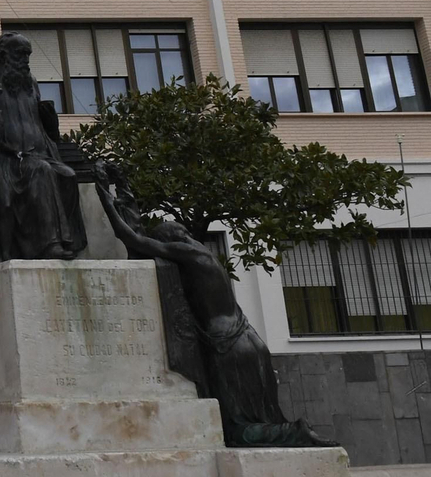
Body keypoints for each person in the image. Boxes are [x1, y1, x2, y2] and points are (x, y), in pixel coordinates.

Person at [95, 178, 333, 447]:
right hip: (249, 339)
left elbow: (133, 239)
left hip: (227, 347)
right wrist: (125, 189)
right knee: (263, 413)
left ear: (172, 242)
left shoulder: (187, 253)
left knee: (236, 429)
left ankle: (296, 432)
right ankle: (291, 432)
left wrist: (104, 199)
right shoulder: (205, 255)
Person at [0, 32, 86, 261]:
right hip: (4, 160)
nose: (26, 60)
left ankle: (66, 241)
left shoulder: (29, 81)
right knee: (41, 172)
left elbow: (39, 126)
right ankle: (49, 246)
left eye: (28, 54)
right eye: (21, 54)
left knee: (68, 175)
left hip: (37, 154)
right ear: (3, 56)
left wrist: (50, 122)